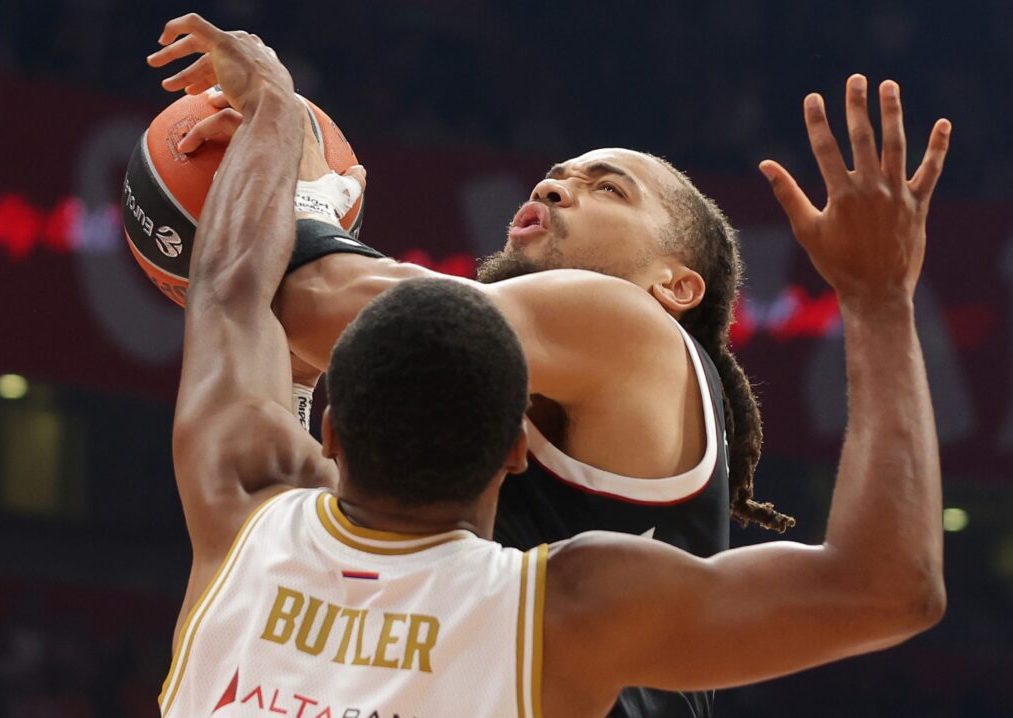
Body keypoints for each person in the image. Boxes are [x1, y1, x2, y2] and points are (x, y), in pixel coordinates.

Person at [151, 13, 950, 718]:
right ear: (513, 447)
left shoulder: (623, 321)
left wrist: (287, 155)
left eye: (609, 189)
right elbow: (886, 588)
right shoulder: (562, 597)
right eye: (555, 175)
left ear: (674, 284)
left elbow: (286, 298)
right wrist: (878, 299)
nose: (556, 187)